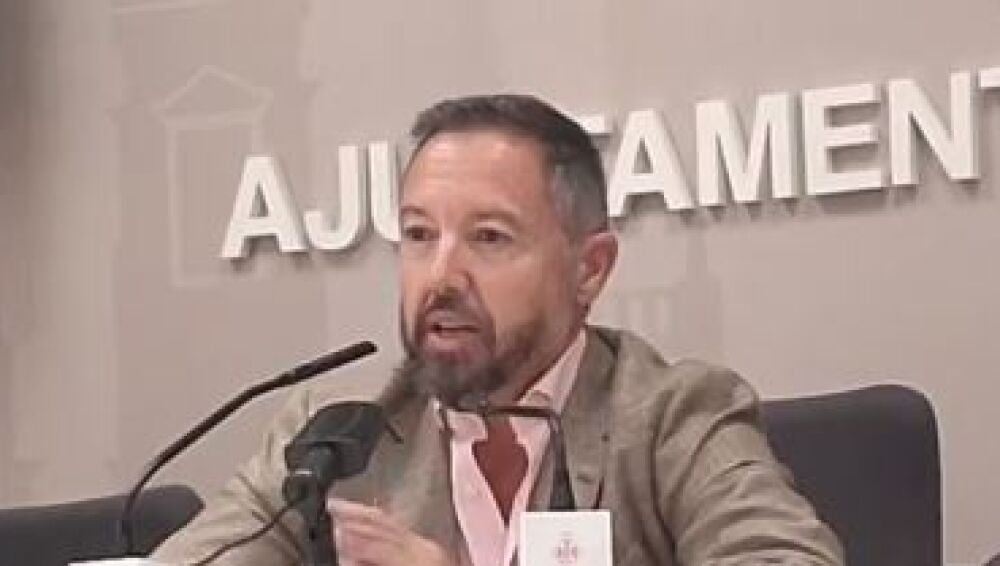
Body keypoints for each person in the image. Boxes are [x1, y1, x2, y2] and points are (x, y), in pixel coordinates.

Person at [153, 94, 844, 566]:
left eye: (489, 237)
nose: (441, 276)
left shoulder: (672, 417)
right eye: (419, 235)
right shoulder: (337, 431)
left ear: (589, 269)